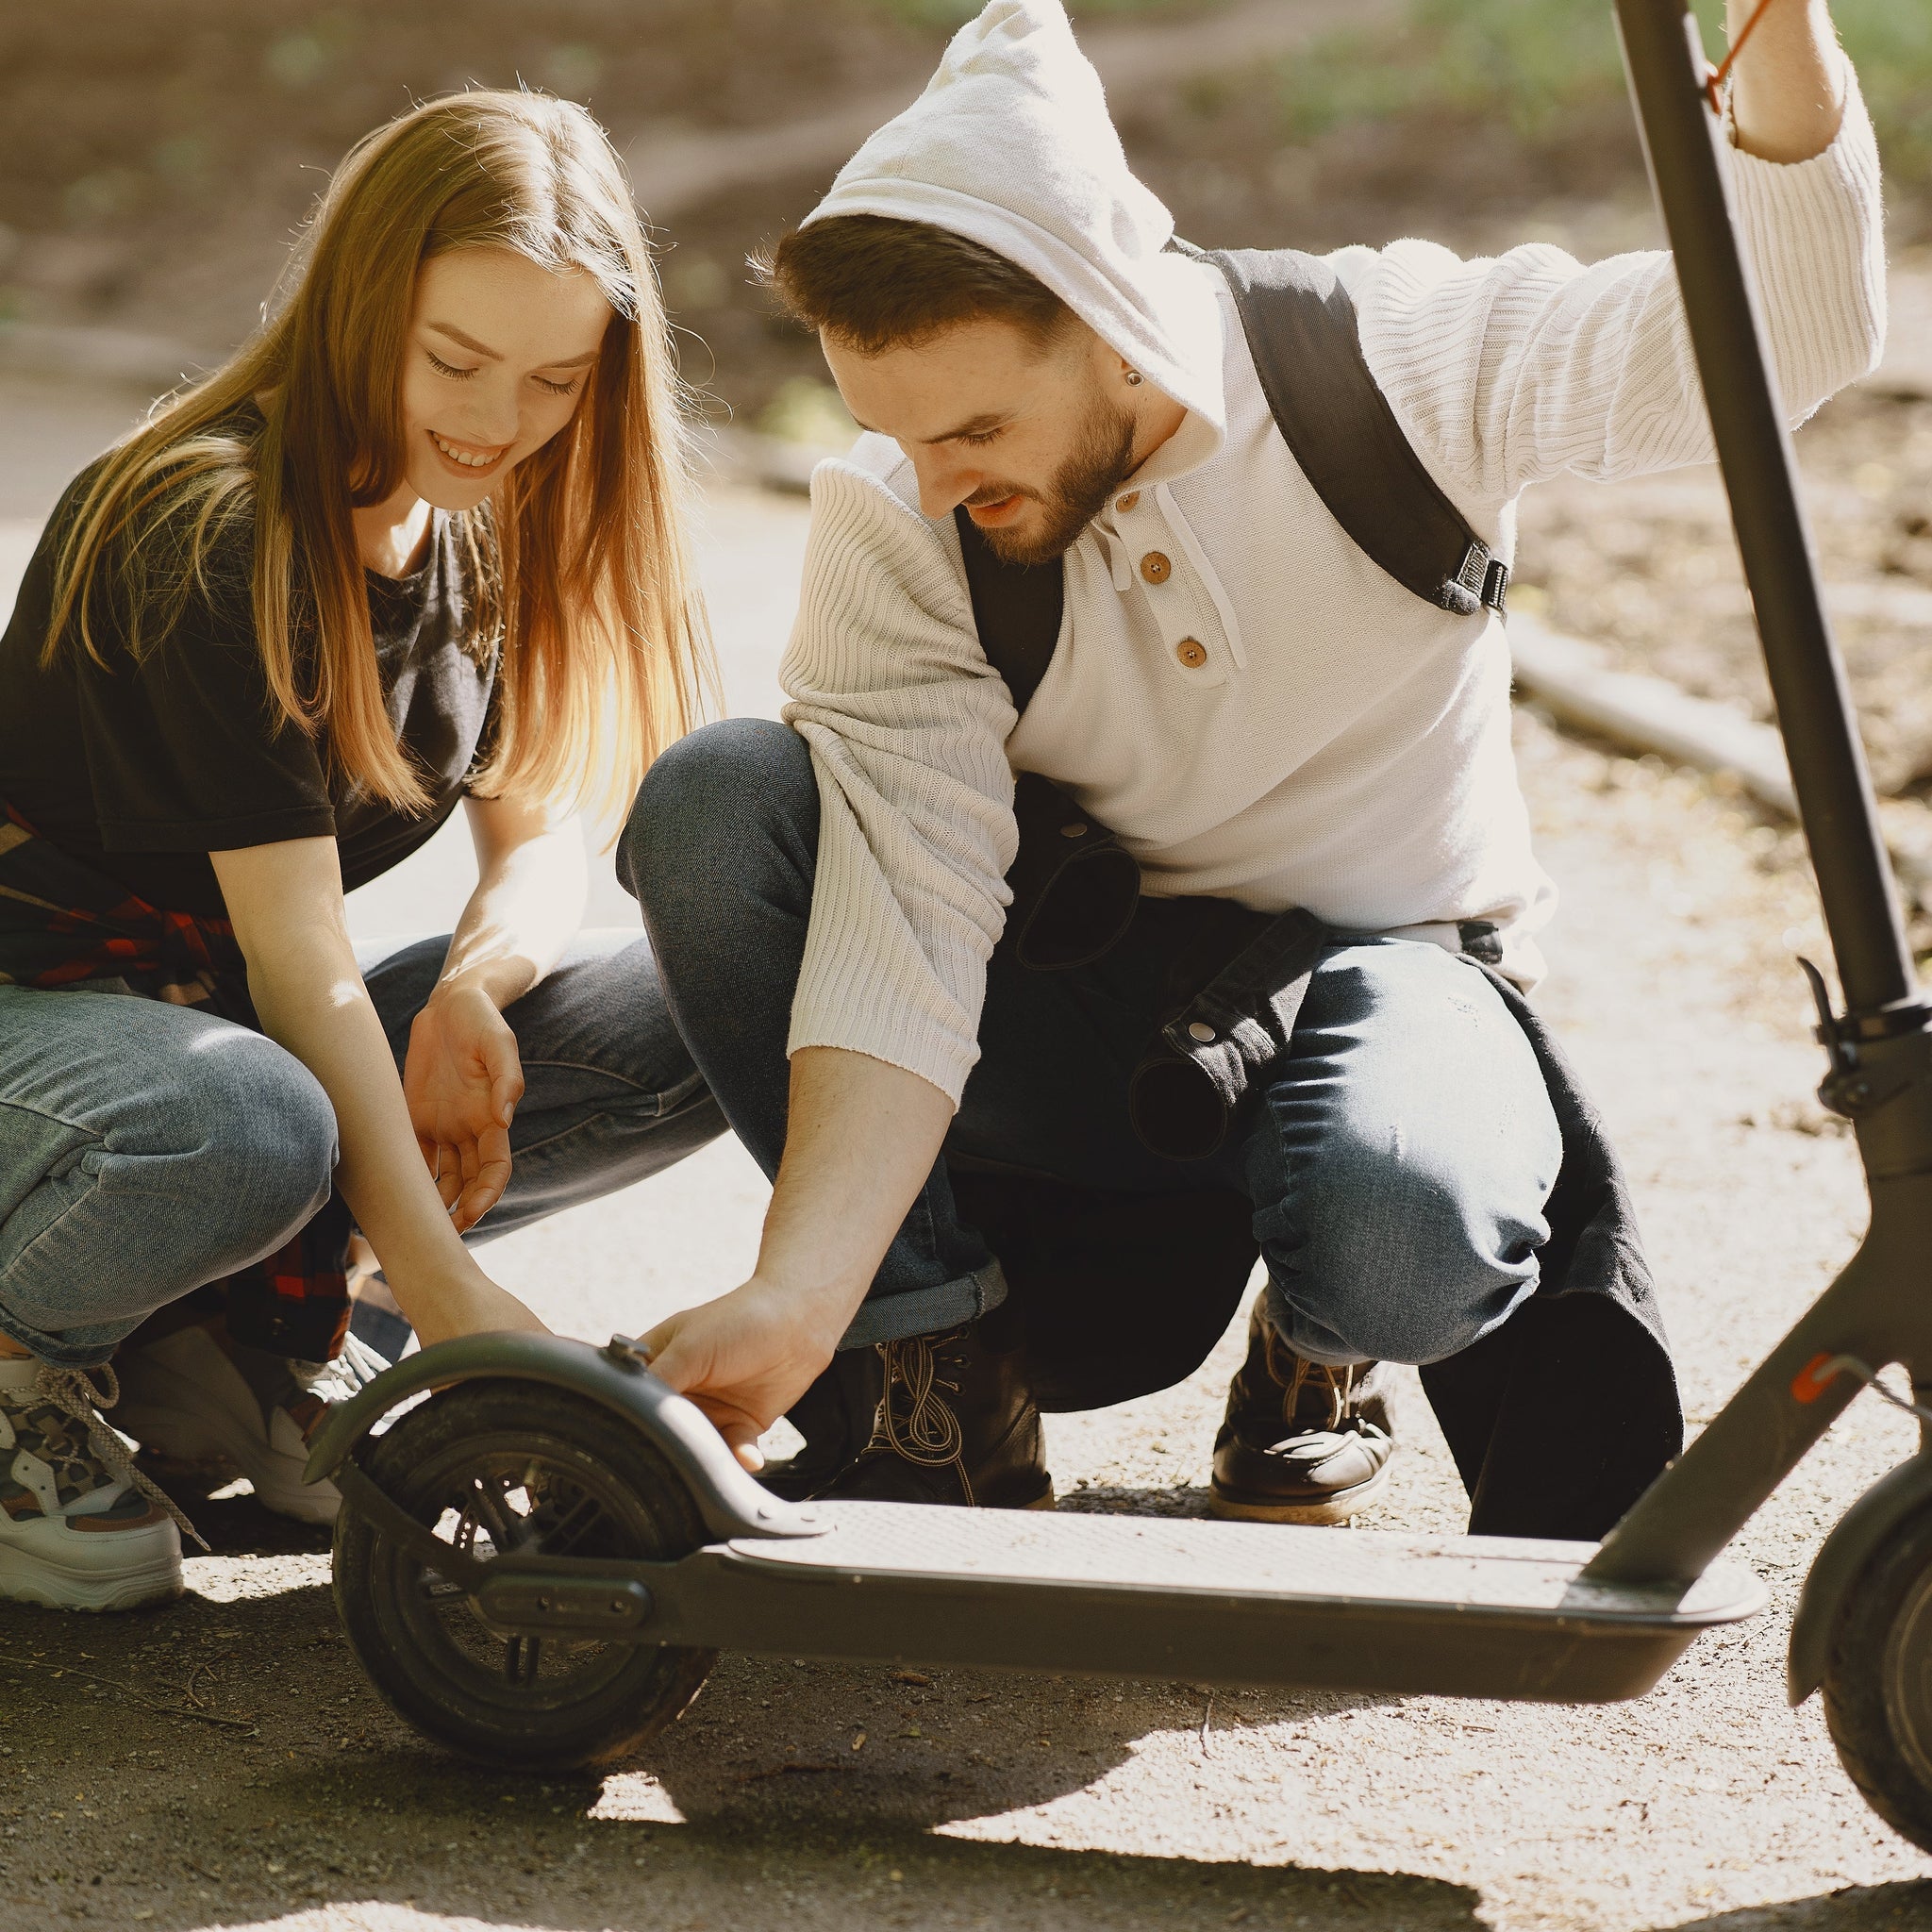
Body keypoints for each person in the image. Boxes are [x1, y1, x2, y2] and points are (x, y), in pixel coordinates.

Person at [620, 0, 1884, 1520]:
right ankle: (935, 1371)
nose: (939, 485)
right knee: (721, 801)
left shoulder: (1397, 365)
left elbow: (1786, 333)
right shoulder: (902, 521)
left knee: (1406, 1234)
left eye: (975, 429)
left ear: (1112, 321)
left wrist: (1778, 21)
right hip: (1083, 1007)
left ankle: (1319, 1343)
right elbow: (906, 920)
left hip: (1389, 972)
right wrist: (812, 1298)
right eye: (900, 434)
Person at [0, 91, 724, 1610]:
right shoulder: (208, 524)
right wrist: (452, 1300)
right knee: (251, 1125)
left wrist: (479, 982)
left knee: (692, 1004)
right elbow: (301, 957)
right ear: (356, 304)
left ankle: (217, 1343)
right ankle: (26, 1359)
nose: (495, 418)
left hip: (216, 1030)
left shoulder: (477, 513)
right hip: (54, 1041)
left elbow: (542, 828)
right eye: (452, 360)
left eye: (551, 380)